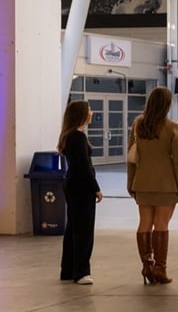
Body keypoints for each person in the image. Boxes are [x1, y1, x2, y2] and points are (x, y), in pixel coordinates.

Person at [127, 86, 178, 285]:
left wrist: (131, 183)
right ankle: (160, 269)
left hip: (142, 183)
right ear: (167, 105)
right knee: (161, 225)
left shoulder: (138, 125)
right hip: (166, 184)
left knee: (144, 224)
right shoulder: (173, 128)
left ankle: (147, 266)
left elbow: (131, 158)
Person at [57, 100, 103, 285]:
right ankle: (82, 271)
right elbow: (84, 167)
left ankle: (68, 270)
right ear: (82, 114)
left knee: (73, 229)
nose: (92, 112)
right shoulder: (78, 137)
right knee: (84, 230)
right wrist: (96, 188)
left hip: (72, 185)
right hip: (81, 187)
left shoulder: (69, 136)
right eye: (89, 110)